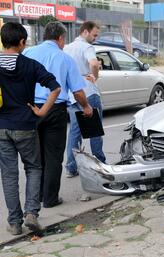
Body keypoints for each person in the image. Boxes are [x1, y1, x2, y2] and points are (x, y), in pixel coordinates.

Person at [0, 22, 61, 235]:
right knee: (34, 168)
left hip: (1, 128)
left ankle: (14, 223)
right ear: (22, 42)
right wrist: (43, 111)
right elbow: (55, 86)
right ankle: (32, 214)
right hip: (26, 125)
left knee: (8, 175)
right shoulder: (30, 64)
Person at [23, 21, 93, 208]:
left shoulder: (28, 53)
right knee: (53, 155)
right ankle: (50, 198)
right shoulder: (65, 59)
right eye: (64, 40)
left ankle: (35, 197)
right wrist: (86, 107)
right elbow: (78, 92)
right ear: (60, 38)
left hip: (31, 109)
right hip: (55, 109)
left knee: (35, 156)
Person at [64, 21, 106, 178]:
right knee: (94, 131)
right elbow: (94, 63)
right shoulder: (86, 47)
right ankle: (99, 164)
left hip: (73, 95)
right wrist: (95, 76)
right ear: (85, 32)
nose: (95, 38)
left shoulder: (67, 48)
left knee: (75, 133)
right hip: (88, 93)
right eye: (94, 35)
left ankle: (71, 167)